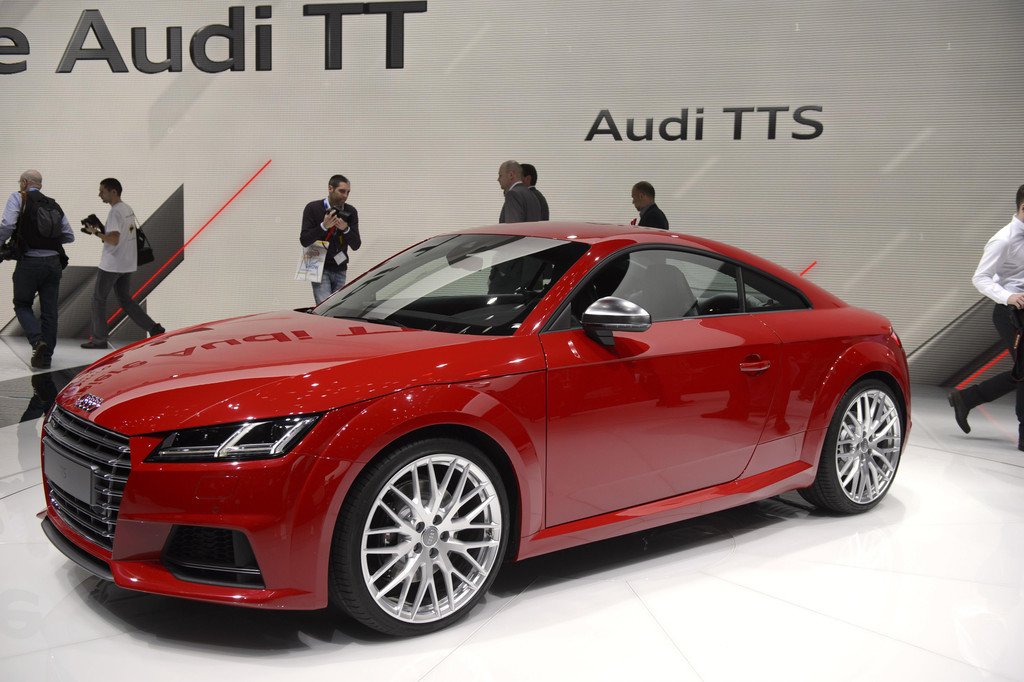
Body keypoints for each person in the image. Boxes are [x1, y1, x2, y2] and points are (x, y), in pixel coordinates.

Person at [949, 184, 1024, 450]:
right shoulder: (1003, 239)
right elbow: (980, 278)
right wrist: (1008, 296)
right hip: (1011, 312)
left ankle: (967, 398)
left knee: (1020, 371)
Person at [0, 170, 75, 369]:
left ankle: (37, 341)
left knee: (22, 304)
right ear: (39, 184)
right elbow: (69, 235)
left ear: (25, 182)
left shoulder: (18, 197)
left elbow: (7, 225)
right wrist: (47, 241)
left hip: (29, 263)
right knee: (50, 312)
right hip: (53, 264)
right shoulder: (53, 204)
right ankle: (46, 359)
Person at [81, 178, 165, 349]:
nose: (99, 194)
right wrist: (101, 229)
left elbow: (113, 240)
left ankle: (99, 339)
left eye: (102, 191)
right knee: (125, 300)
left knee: (98, 300)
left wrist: (95, 232)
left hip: (112, 264)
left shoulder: (115, 212)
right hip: (127, 263)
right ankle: (153, 328)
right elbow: (124, 235)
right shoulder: (127, 209)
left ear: (113, 191)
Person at [301, 174, 362, 305]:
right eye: (342, 191)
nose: (345, 195)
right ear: (330, 188)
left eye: (348, 192)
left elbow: (356, 244)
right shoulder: (313, 208)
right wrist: (323, 226)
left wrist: (346, 229)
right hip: (318, 264)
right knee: (325, 307)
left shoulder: (351, 211)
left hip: (340, 266)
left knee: (337, 307)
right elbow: (304, 240)